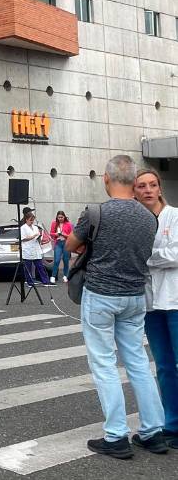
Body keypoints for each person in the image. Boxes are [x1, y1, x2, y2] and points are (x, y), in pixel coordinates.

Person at [65, 155, 166, 458]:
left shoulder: (95, 212)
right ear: (134, 182)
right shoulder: (149, 217)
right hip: (136, 296)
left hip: (101, 295)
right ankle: (152, 431)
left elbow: (70, 245)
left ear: (106, 179)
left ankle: (116, 436)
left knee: (105, 364)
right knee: (137, 362)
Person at [134, 168, 178, 449]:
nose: (148, 190)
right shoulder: (135, 221)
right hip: (150, 304)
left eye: (152, 184)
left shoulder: (175, 216)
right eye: (141, 186)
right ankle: (172, 423)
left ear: (160, 188)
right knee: (163, 366)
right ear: (134, 191)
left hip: (175, 300)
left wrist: (146, 256)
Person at [21, 212, 49, 285]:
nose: (32, 221)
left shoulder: (35, 227)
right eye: (30, 220)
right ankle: (29, 282)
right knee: (28, 267)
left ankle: (45, 281)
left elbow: (38, 237)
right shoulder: (23, 228)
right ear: (26, 219)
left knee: (40, 266)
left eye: (33, 220)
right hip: (27, 249)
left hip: (36, 248)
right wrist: (33, 236)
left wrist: (39, 238)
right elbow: (23, 238)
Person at [50, 211, 73, 284]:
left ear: (64, 217)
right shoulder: (54, 223)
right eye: (59, 217)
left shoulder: (69, 224)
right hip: (58, 243)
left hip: (66, 243)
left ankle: (65, 275)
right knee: (56, 260)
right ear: (57, 217)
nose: (60, 219)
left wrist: (65, 235)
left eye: (61, 217)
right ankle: (53, 276)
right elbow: (51, 233)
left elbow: (71, 235)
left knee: (66, 260)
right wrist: (56, 234)